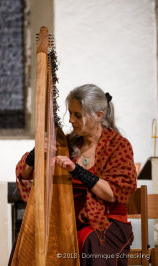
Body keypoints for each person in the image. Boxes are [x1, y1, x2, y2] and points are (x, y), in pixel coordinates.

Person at [14, 84, 137, 265]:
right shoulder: (68, 144)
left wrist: (76, 170)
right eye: (70, 113)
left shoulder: (118, 146)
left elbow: (111, 193)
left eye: (77, 115)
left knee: (88, 240)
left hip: (106, 222)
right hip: (68, 220)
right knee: (29, 239)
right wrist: (35, 155)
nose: (70, 120)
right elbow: (26, 176)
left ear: (99, 115)